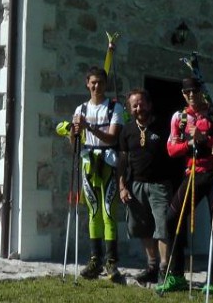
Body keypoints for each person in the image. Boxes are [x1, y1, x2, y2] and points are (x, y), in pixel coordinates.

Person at [157, 77, 213, 295]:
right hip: (193, 174)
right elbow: (171, 148)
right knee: (172, 218)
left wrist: (203, 138)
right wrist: (189, 142)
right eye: (187, 92)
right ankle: (177, 275)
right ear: (183, 94)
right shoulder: (179, 117)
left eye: (194, 91)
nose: (191, 96)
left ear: (201, 91)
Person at [117, 88, 177, 287]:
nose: (138, 108)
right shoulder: (127, 130)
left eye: (142, 103)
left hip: (160, 185)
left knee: (162, 228)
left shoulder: (163, 126)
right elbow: (123, 161)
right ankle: (151, 267)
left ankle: (163, 270)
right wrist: (122, 187)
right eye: (134, 105)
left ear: (150, 105)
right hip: (135, 186)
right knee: (142, 228)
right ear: (130, 108)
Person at [71, 66, 125, 282]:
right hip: (88, 164)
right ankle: (95, 260)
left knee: (108, 212)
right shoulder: (80, 109)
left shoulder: (115, 107)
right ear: (87, 83)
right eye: (93, 82)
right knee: (93, 212)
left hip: (108, 162)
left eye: (100, 82)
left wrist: (88, 128)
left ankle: (111, 263)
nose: (96, 86)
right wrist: (74, 133)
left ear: (105, 84)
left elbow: (112, 138)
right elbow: (74, 143)